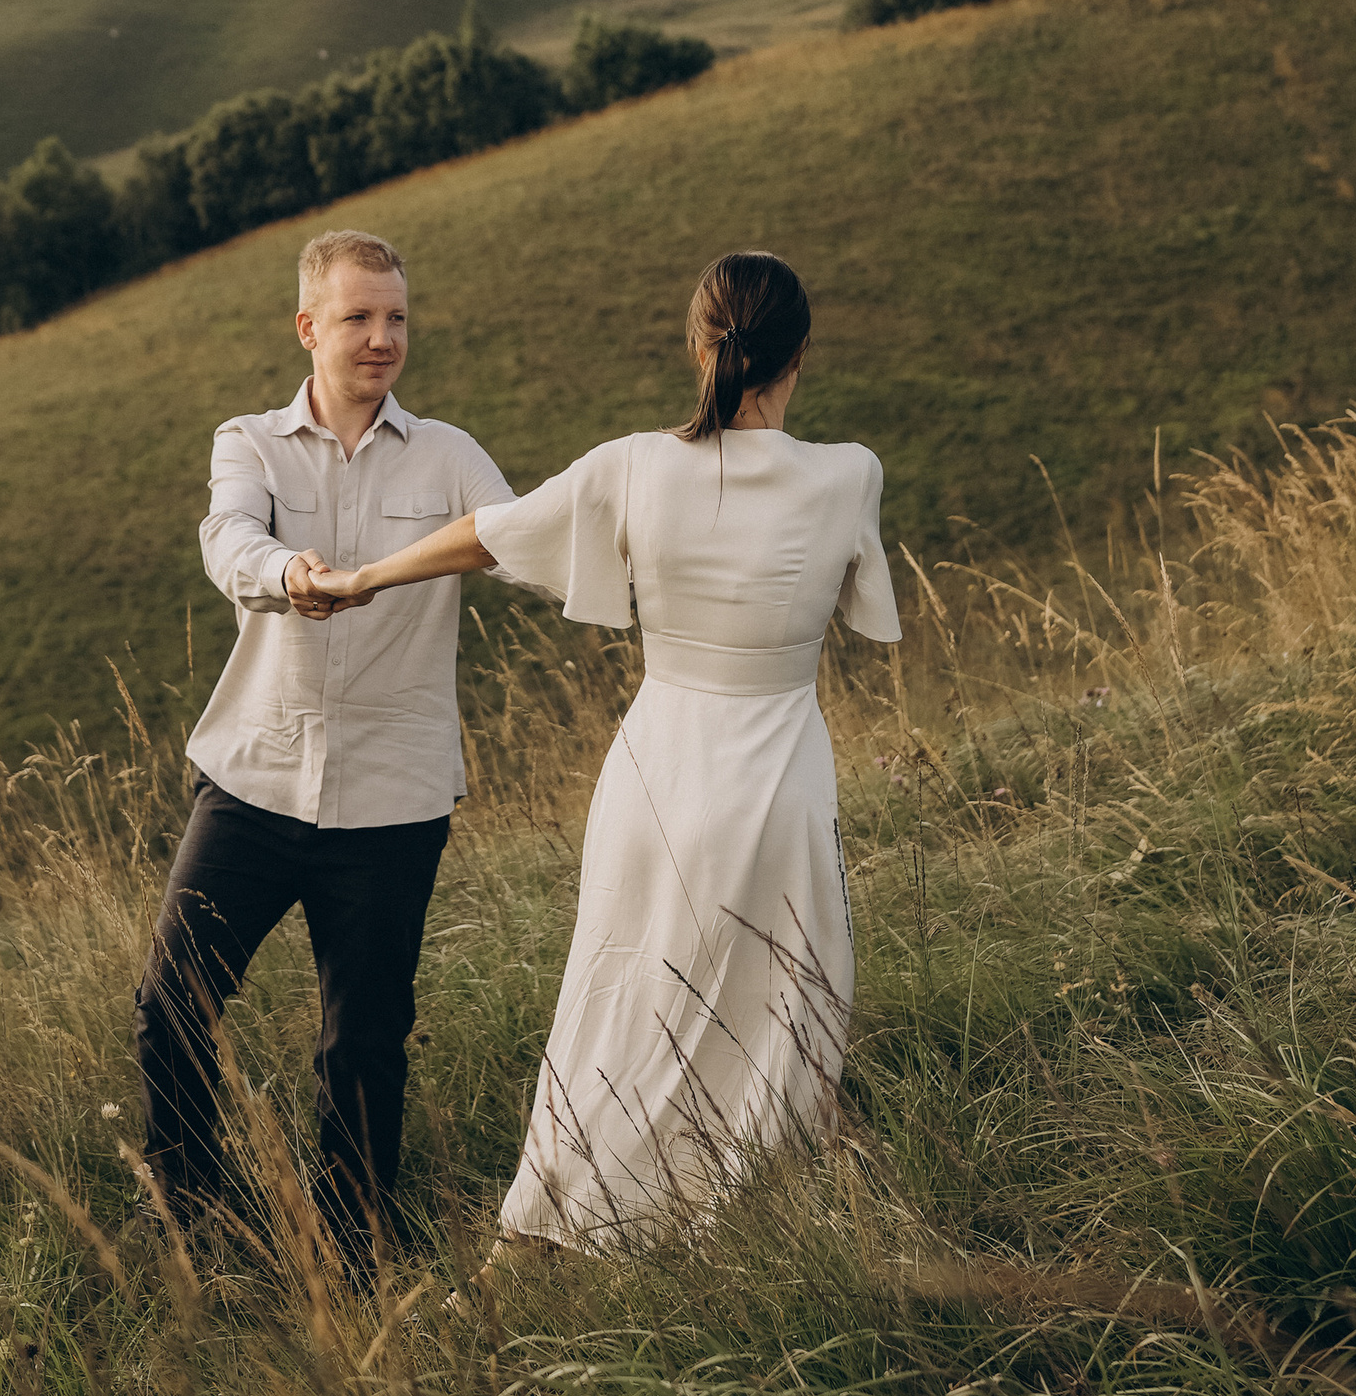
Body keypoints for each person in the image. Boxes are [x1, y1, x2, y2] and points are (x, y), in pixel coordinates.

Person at [292, 248, 900, 1248]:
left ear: (697, 343)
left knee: (616, 999)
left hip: (657, 774)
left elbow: (491, 531)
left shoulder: (631, 463)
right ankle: (753, 1206)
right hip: (780, 779)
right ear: (798, 351)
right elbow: (849, 601)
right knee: (787, 991)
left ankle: (560, 1215)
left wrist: (364, 577)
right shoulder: (849, 472)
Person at [134, 226, 511, 1267]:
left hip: (392, 798)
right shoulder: (248, 441)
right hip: (252, 780)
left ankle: (353, 1251)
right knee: (171, 1003)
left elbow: (522, 533)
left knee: (363, 1044)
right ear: (309, 326)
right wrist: (289, 571)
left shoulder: (446, 453)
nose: (382, 336)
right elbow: (227, 541)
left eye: (396, 316)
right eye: (358, 316)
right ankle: (196, 1228)